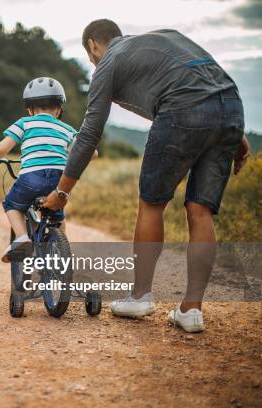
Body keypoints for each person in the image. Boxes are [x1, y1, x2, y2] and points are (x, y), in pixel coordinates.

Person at [41, 19, 251, 332]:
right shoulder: (166, 37)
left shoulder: (108, 61)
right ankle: (191, 310)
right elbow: (207, 82)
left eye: (90, 56)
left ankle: (140, 296)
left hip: (183, 107)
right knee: (200, 210)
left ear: (93, 46)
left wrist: (61, 193)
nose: (92, 61)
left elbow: (89, 134)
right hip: (232, 106)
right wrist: (232, 131)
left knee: (151, 204)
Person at [0, 77, 97, 263]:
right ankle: (61, 251)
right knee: (56, 213)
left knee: (11, 204)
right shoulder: (66, 129)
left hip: (31, 177)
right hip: (60, 180)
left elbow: (1, 149)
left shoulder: (24, 123)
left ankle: (21, 239)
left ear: (30, 109)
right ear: (59, 109)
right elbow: (92, 153)